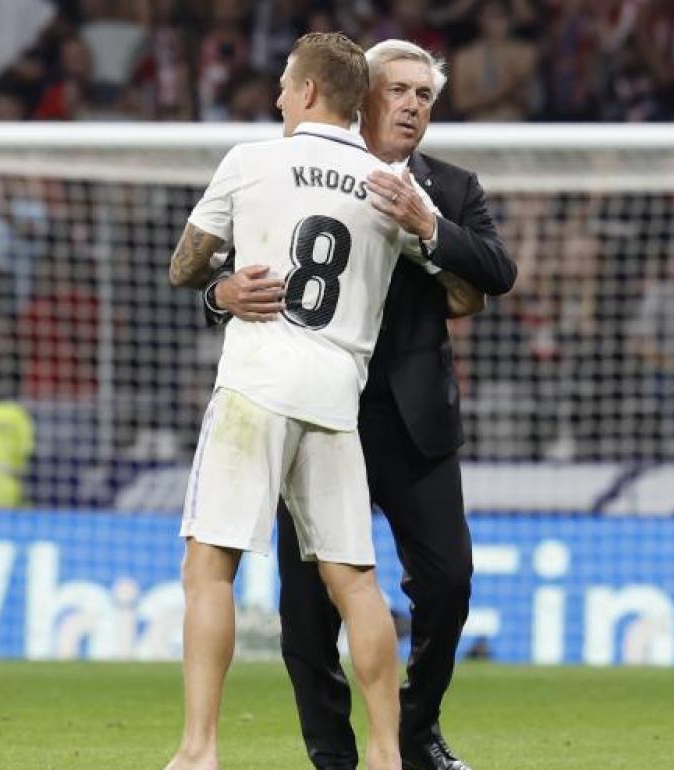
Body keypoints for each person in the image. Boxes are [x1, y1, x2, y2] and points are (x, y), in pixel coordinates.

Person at [206, 39, 517, 770]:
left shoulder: (450, 185)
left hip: (412, 421)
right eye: (400, 90)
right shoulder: (299, 171)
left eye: (425, 96)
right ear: (361, 94)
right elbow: (223, 270)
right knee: (307, 610)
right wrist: (220, 296)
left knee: (447, 582)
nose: (413, 105)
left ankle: (415, 731)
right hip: (310, 412)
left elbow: (497, 272)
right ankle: (333, 757)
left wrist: (429, 224)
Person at [164, 32, 437, 770]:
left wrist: (223, 282)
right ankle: (386, 755)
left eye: (286, 85)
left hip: (256, 381)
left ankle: (198, 751)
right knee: (355, 579)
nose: (279, 97)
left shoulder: (251, 161)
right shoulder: (390, 186)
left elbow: (183, 265)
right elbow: (465, 287)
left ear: (309, 91)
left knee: (210, 566)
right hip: (336, 392)